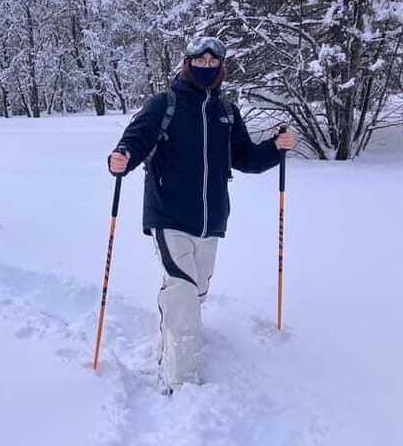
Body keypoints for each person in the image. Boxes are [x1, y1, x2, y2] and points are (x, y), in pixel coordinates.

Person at [108, 36, 294, 395]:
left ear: (221, 67)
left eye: (213, 63)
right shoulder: (165, 104)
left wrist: (275, 148)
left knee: (196, 293)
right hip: (168, 213)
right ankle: (183, 382)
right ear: (186, 63)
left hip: (212, 219)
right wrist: (122, 157)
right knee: (182, 291)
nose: (206, 67)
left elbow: (245, 159)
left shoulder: (226, 111)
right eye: (199, 61)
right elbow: (135, 139)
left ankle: (173, 341)